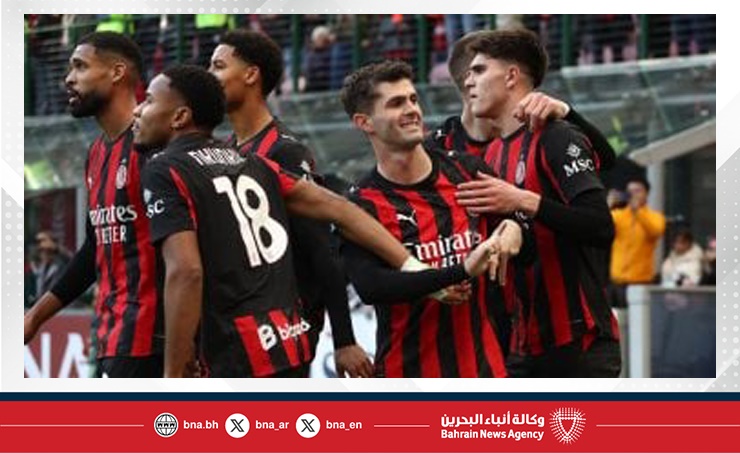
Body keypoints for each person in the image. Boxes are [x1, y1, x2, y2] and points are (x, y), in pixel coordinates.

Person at [133, 64, 424, 378]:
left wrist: (173, 375)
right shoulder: (253, 162)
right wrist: (410, 264)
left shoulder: (165, 169)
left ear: (180, 117)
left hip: (234, 354)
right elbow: (340, 209)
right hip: (288, 343)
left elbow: (187, 272)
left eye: (148, 100)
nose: (138, 110)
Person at [339, 60, 529, 378]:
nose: (412, 110)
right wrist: (460, 271)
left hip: (485, 372)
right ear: (364, 122)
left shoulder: (467, 172)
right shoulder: (361, 203)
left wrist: (516, 228)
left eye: (413, 99)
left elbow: (524, 238)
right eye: (396, 103)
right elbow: (371, 286)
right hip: (407, 377)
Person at [209, 30, 373, 378]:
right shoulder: (225, 150)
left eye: (218, 66)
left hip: (283, 333)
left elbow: (322, 248)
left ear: (251, 75)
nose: (210, 76)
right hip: (240, 329)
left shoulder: (284, 150)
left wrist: (344, 340)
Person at [457, 29, 620, 377]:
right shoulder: (492, 153)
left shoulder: (556, 135)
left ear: (511, 76)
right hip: (522, 344)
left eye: (479, 70)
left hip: (578, 340)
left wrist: (524, 200)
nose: (468, 81)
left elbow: (601, 226)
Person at [23, 32, 164, 378]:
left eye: (80, 67)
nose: (68, 79)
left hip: (156, 342)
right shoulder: (97, 153)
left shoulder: (154, 149)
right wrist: (34, 318)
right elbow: (94, 248)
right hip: (112, 335)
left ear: (117, 72)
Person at [426, 30, 616, 171]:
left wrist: (567, 112)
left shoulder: (541, 130)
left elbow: (606, 163)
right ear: (469, 81)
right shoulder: (438, 148)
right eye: (478, 70)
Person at [610, 179, 666, 305]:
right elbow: (601, 226)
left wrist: (638, 212)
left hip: (640, 282)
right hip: (617, 282)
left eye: (637, 191)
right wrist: (608, 205)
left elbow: (655, 231)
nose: (633, 195)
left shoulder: (655, 217)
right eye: (630, 192)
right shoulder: (618, 215)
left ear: (646, 194)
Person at [27, 231, 72, 307]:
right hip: (38, 306)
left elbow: (72, 260)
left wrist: (56, 247)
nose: (45, 254)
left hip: (59, 307)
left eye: (49, 252)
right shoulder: (35, 268)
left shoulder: (61, 267)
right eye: (42, 251)